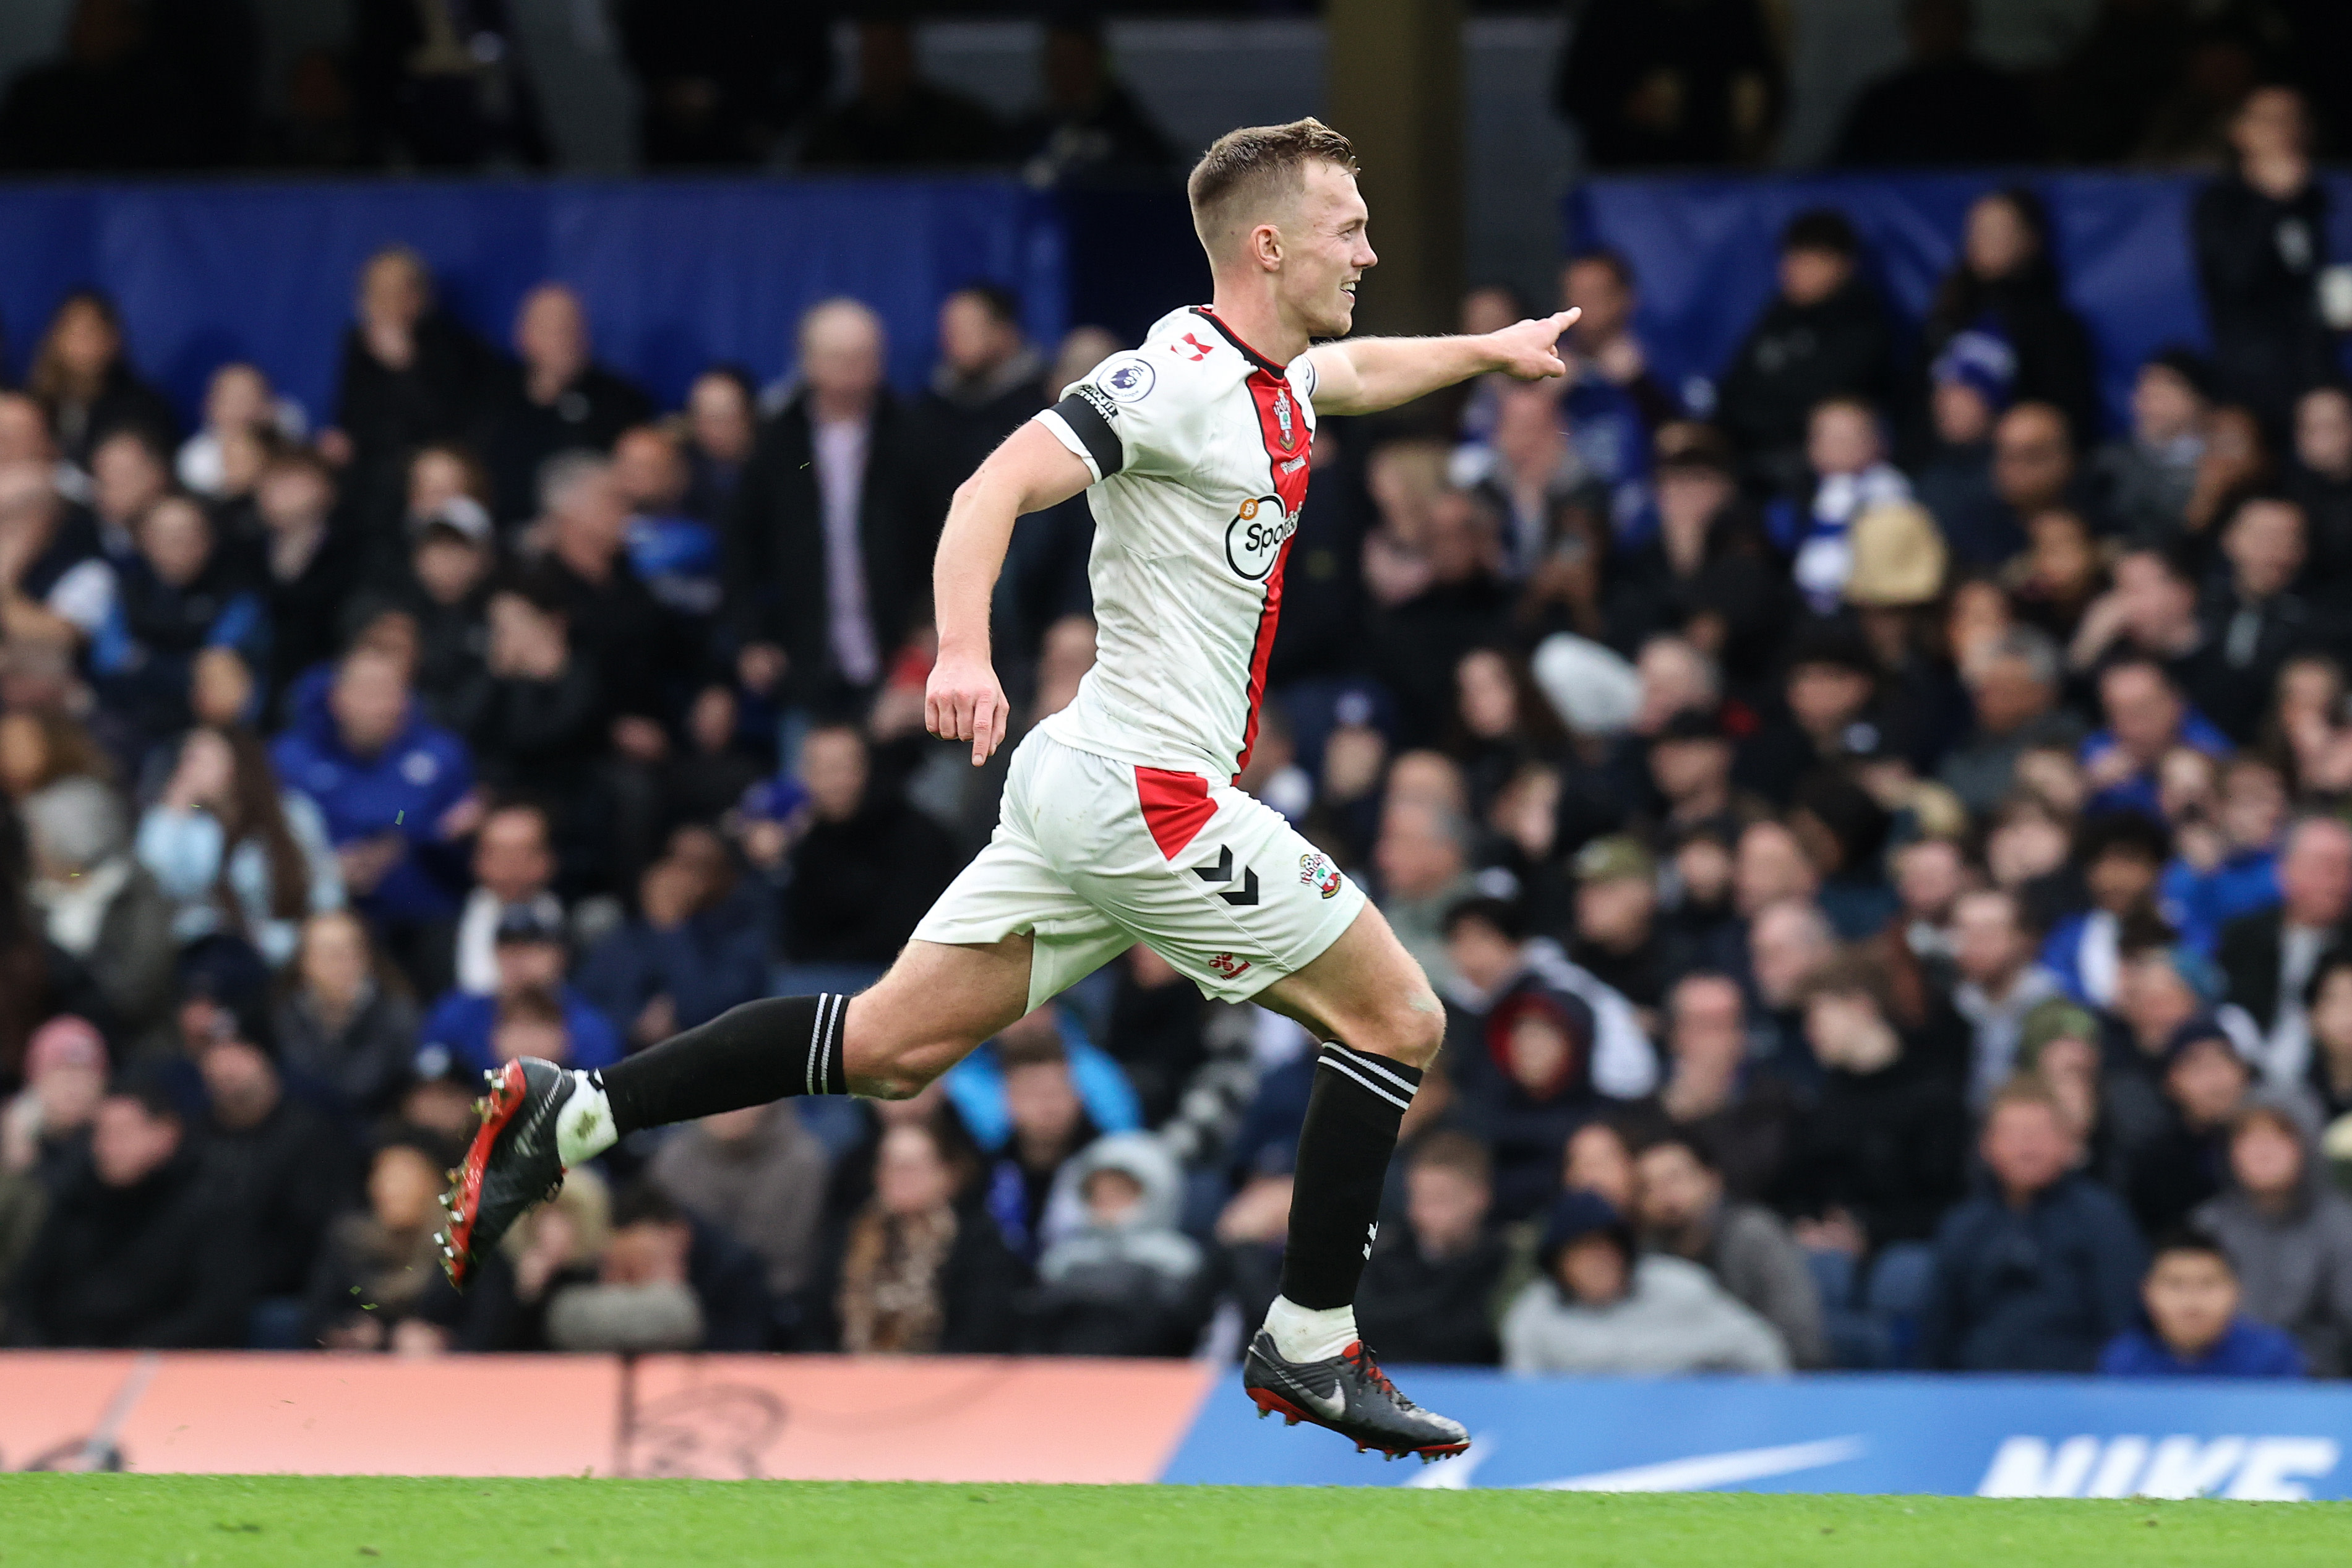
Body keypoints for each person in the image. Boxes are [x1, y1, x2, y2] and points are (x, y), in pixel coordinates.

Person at [447, 118, 1589, 1462]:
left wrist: (1487, 350)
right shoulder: (1166, 374)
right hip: (1141, 792)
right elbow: (991, 484)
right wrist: (968, 652)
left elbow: (1351, 371)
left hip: (1085, 783)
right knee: (1397, 1014)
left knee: (888, 1048)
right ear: (1267, 245)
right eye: (1348, 226)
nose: (1370, 249)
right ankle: (1307, 1338)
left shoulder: (1272, 379)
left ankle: (568, 1107)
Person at [723, 299, 933, 717]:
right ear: (808, 361)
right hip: (801, 654)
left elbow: (943, 536)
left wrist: (930, 631)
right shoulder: (778, 441)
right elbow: (741, 546)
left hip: (896, 654)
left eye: (864, 356)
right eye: (839, 358)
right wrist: (750, 637)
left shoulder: (914, 438)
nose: (853, 370)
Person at [1920, 1079, 2147, 1373]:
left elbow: (2122, 1323)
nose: (2026, 1148)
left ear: (2069, 1143)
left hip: (2077, 1392)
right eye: (2012, 1135)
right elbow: (1938, 1331)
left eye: (2039, 1134)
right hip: (1977, 1392)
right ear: (1986, 1146)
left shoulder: (2103, 1218)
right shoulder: (1964, 1224)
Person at [6, 1079, 249, 1347]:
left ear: (166, 1134)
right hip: (64, 1365)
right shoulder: (77, 1201)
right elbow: (27, 1296)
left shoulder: (209, 1206)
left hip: (166, 1368)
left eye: (123, 1132)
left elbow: (213, 1315)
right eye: (101, 1133)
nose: (107, 1147)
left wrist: (125, 1356)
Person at [1500, 1190, 1790, 1373]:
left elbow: (1762, 1351)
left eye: (1607, 1249)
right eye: (1582, 1253)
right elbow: (1528, 1402)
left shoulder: (1681, 1289)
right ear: (1558, 1265)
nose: (1598, 1263)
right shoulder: (1535, 1313)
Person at [135, 724, 343, 970]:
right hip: (215, 958)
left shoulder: (292, 814)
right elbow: (153, 877)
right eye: (186, 760)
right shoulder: (187, 826)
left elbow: (325, 884)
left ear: (238, 764)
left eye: (202, 760)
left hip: (292, 948)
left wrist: (312, 935)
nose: (189, 771)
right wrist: (174, 807)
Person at [2191, 86, 2337, 431]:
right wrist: (2273, 204)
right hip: (2252, 381)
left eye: (2295, 120)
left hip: (2321, 374)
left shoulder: (2319, 201)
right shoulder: (2219, 202)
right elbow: (2236, 277)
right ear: (2239, 132)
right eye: (2271, 121)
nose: (2285, 131)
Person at [1715, 210, 1891, 497]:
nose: (1789, 269)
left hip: (1804, 463)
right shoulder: (1779, 312)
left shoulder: (1861, 322)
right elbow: (1735, 387)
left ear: (1840, 265)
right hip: (1747, 449)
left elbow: (1810, 401)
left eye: (1804, 259)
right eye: (1789, 258)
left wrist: (1759, 409)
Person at [1634, 1129, 1825, 1367]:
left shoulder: (1753, 1235)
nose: (1665, 1196)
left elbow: (1800, 1339)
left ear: (1713, 1180)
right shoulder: (1645, 1256)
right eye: (1649, 1187)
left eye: (1675, 1179)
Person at [2193, 1099, 2352, 1374]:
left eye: (2280, 1135)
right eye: (2246, 1137)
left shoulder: (2341, 1224)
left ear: (2309, 1146)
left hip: (2317, 1388)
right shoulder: (2206, 1226)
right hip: (2216, 1384)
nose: (2262, 1149)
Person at [475, 285, 653, 527]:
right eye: (552, 331)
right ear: (523, 338)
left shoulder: (621, 400)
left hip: (584, 536)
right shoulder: (491, 394)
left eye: (573, 331)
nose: (564, 341)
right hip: (500, 532)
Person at [1552, 0, 1781, 169]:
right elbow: (1573, 94)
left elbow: (1766, 88)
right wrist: (1633, 104)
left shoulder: (1733, 10)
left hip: (1711, 184)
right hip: (1628, 181)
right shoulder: (1615, 10)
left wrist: (1758, 106)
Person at [2217, 814, 2352, 1089]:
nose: (2336, 880)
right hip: (2248, 1077)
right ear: (2285, 870)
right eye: (2323, 866)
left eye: (2345, 867)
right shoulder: (2244, 936)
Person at [1354, 1130, 1506, 1365]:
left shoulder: (1503, 1262)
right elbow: (1364, 1322)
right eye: (1418, 1199)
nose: (1423, 1214)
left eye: (1441, 1200)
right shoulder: (1386, 1256)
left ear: (1480, 1197)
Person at [1831, 0, 2044, 167]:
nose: (1937, 31)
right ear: (1912, 28)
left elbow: (2030, 166)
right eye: (1928, 22)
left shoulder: (2000, 96)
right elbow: (1847, 170)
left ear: (1964, 26)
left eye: (1946, 21)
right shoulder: (1883, 99)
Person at [2098, 1230, 2306, 1378]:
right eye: (2176, 1285)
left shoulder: (2272, 1357)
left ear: (2237, 1291)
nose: (2192, 1302)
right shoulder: (2123, 1361)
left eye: (2208, 1284)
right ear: (2147, 1292)